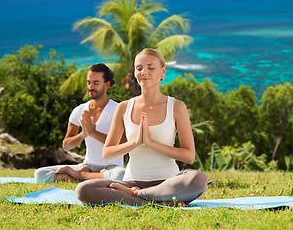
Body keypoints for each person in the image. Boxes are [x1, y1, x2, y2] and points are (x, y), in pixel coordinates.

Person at [76, 49, 208, 206]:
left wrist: (152, 143)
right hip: (131, 181)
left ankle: (139, 196)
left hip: (168, 183)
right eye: (139, 68)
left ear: (162, 72)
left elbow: (189, 156)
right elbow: (107, 154)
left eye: (151, 68)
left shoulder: (177, 106)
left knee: (199, 179)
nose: (144, 72)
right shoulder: (124, 107)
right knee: (83, 190)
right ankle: (159, 202)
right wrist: (135, 143)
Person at [34, 63, 125, 183]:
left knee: (120, 175)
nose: (91, 87)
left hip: (111, 168)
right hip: (87, 165)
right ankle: (88, 176)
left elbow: (124, 143)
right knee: (40, 174)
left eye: (96, 83)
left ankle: (80, 176)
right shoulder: (79, 110)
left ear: (107, 84)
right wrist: (84, 134)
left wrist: (93, 132)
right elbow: (66, 145)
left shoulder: (118, 109)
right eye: (89, 82)